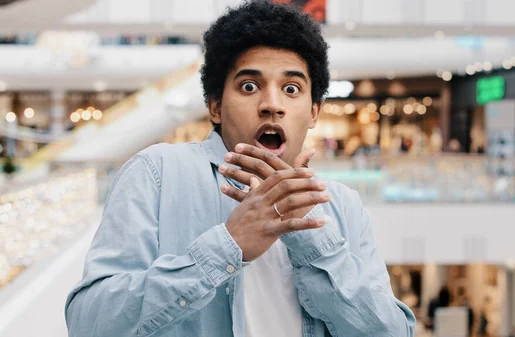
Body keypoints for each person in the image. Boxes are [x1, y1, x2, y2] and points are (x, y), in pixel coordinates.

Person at [64, 1, 416, 337]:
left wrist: (310, 234)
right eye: (249, 86)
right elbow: (90, 324)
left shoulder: (341, 206)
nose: (272, 105)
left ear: (313, 112)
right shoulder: (155, 175)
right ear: (215, 106)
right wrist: (227, 246)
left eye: (291, 88)